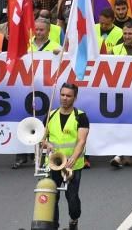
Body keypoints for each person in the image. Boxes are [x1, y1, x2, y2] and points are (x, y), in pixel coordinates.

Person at [43, 83, 89, 230]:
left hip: (72, 165)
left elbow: (81, 140)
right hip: (53, 163)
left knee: (72, 199)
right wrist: (46, 143)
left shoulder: (80, 116)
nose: (65, 98)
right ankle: (54, 226)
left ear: (75, 97)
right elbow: (42, 137)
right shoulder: (50, 115)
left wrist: (73, 159)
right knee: (52, 197)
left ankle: (74, 220)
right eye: (62, 95)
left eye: (69, 96)